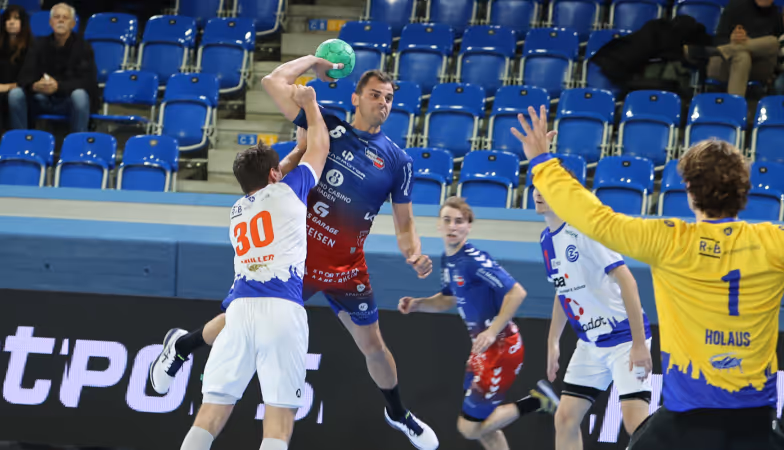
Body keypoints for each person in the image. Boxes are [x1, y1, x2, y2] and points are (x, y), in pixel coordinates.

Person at [512, 104, 784, 449]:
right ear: (744, 190)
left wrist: (543, 162)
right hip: (754, 421)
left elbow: (594, 217)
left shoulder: (668, 241)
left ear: (689, 191)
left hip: (686, 422)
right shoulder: (775, 243)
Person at [151, 58, 439, 450]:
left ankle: (398, 413)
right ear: (356, 98)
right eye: (375, 95)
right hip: (296, 259)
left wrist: (414, 254)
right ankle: (181, 347)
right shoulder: (326, 125)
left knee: (374, 346)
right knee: (238, 317)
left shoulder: (398, 161)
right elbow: (273, 81)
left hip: (346, 267)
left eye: (389, 98)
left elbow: (405, 226)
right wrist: (316, 63)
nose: (383, 103)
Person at [178, 84, 327, 450]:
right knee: (279, 418)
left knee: (211, 413)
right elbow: (321, 148)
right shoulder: (289, 192)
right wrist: (310, 105)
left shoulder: (238, 209)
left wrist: (297, 147)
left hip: (239, 313)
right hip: (282, 310)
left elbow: (275, 174)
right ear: (275, 175)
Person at [397, 196, 559, 450]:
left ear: (468, 227)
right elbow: (448, 299)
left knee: (469, 427)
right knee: (485, 427)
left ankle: (537, 401)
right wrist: (418, 304)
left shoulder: (473, 260)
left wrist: (492, 332)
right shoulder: (448, 259)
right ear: (439, 225)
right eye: (447, 220)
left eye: (459, 221)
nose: (452, 226)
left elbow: (517, 292)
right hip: (482, 351)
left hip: (501, 349)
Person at [533, 177, 652, 449]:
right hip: (590, 344)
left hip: (624, 339)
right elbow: (563, 290)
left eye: (546, 188)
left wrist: (638, 344)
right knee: (565, 418)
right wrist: (553, 341)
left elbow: (628, 281)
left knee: (636, 424)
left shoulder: (584, 231)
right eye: (536, 187)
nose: (538, 194)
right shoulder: (546, 239)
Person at [10, 2, 97, 133]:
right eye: (57, 17)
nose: (60, 20)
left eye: (65, 17)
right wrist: (34, 85)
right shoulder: (38, 44)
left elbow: (88, 81)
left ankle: (78, 141)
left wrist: (58, 86)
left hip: (68, 101)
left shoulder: (83, 47)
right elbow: (24, 75)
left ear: (73, 24)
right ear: (51, 22)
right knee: (15, 94)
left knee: (80, 95)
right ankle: (21, 139)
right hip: (41, 99)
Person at [707, 0, 783, 96]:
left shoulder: (777, 15)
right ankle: (736, 104)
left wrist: (745, 42)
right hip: (727, 65)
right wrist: (732, 40)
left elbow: (782, 47)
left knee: (773, 41)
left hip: (759, 67)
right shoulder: (735, 6)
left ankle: (726, 50)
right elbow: (718, 40)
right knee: (743, 56)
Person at [0, 5, 32, 131]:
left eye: (16, 18)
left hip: (24, 91)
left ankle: (19, 138)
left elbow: (30, 77)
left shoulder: (32, 46)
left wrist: (8, 87)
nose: (11, 22)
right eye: (8, 19)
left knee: (15, 95)